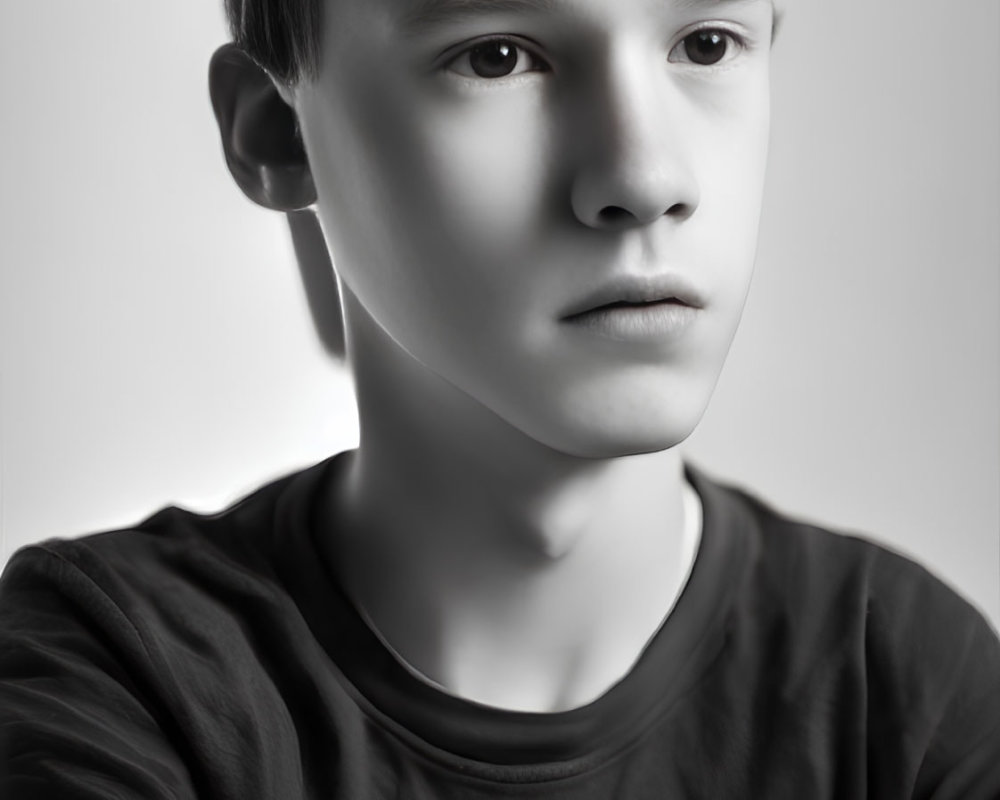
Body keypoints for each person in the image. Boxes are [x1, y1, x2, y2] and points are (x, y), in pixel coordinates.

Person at [1, 0, 998, 796]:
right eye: (496, 56)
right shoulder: (117, 680)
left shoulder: (907, 689)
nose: (644, 179)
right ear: (275, 130)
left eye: (704, 42)